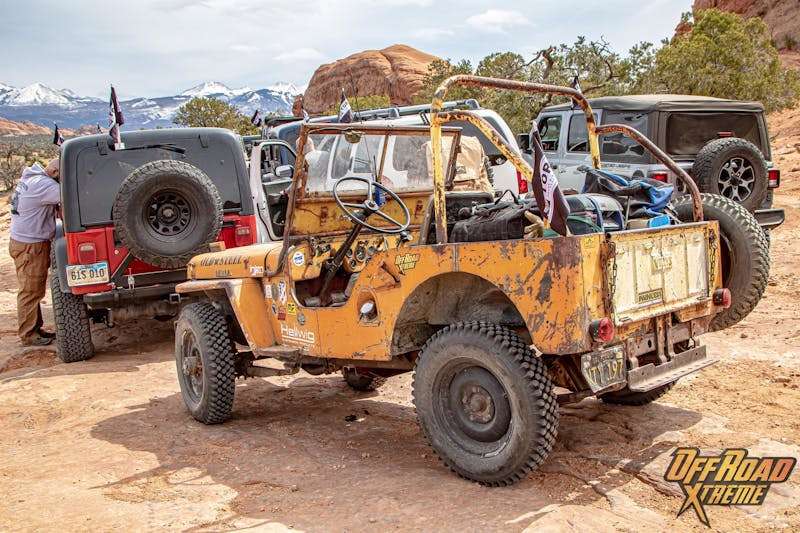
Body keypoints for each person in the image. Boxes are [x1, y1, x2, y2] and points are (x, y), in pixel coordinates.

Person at [9, 157, 61, 346]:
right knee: (30, 291)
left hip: (23, 241)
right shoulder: (43, 185)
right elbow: (72, 195)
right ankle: (29, 334)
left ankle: (35, 328)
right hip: (30, 245)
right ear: (55, 173)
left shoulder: (32, 179)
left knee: (32, 289)